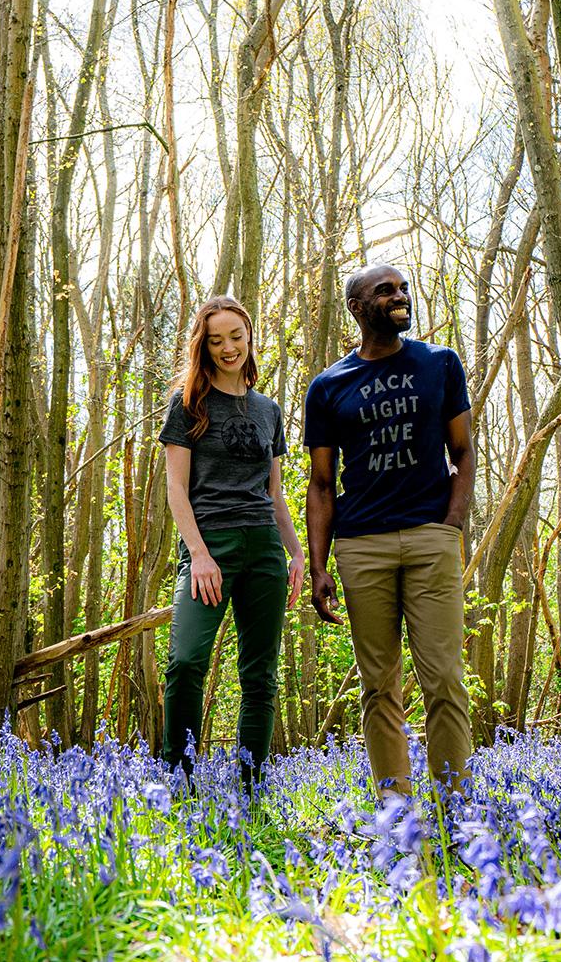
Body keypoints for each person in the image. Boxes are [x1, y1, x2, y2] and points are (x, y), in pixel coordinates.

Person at [304, 264, 475, 796]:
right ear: (357, 307)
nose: (400, 296)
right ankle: (395, 815)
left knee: (444, 679)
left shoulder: (439, 364)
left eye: (403, 288)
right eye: (386, 291)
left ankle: (456, 808)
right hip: (361, 547)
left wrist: (451, 524)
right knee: (379, 687)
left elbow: (464, 452)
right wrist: (317, 566)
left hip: (430, 539)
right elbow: (321, 484)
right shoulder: (329, 387)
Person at [159, 296, 304, 785]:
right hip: (210, 547)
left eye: (236, 337)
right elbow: (176, 488)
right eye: (216, 340)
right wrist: (198, 554)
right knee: (186, 661)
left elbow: (275, 493)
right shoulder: (187, 404)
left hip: (263, 547)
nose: (228, 348)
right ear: (204, 346)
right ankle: (178, 783)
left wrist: (297, 552)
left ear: (249, 337)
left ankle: (251, 790)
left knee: (260, 676)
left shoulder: (268, 410)